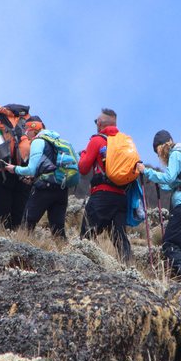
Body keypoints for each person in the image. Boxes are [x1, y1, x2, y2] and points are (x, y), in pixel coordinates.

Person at [136, 130, 181, 279]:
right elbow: (175, 182)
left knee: (169, 242)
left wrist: (147, 172)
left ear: (161, 147)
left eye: (157, 151)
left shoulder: (176, 154)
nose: (158, 155)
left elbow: (169, 177)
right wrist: (161, 185)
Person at [77, 108, 132, 263]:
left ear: (100, 124)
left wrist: (83, 154)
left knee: (88, 233)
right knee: (120, 237)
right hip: (121, 196)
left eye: (97, 122)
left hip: (102, 194)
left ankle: (84, 266)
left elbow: (83, 168)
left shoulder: (97, 140)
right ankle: (128, 268)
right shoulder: (123, 142)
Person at [4, 117, 68, 238]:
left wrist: (15, 169)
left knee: (27, 223)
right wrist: (35, 178)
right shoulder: (55, 139)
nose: (25, 132)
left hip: (45, 189)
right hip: (62, 188)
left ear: (35, 128)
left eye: (27, 128)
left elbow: (31, 169)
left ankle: (21, 253)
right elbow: (50, 166)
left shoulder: (38, 141)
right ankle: (66, 253)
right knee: (58, 230)